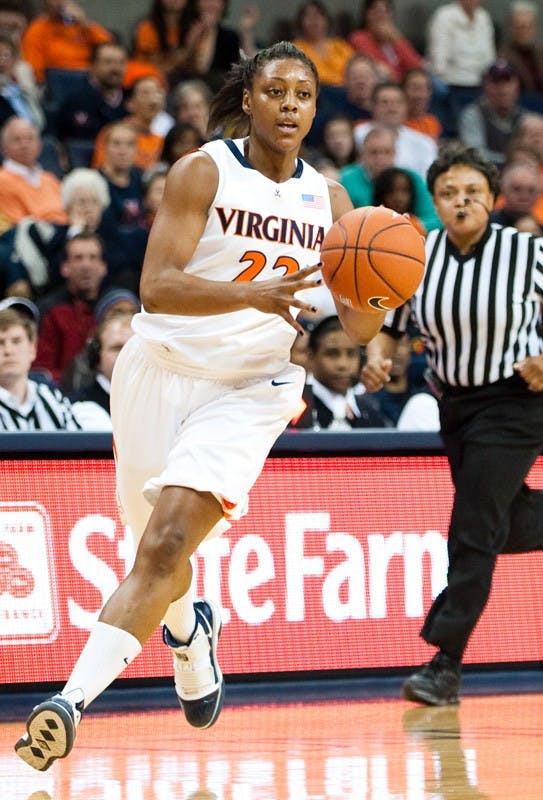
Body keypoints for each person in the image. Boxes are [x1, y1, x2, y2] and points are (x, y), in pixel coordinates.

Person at [14, 40, 386, 771]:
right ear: (247, 98)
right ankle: (188, 634)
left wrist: (376, 295)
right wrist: (254, 294)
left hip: (250, 387)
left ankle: (66, 705)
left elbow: (357, 321)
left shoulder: (332, 199)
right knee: (148, 547)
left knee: (162, 547)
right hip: (159, 368)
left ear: (315, 108)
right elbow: (157, 286)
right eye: (274, 91)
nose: (288, 105)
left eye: (303, 95)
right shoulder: (202, 170)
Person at [361, 143, 543, 706]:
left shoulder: (527, 251)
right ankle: (445, 663)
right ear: (433, 201)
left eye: (471, 192)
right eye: (448, 193)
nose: (460, 201)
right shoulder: (416, 255)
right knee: (496, 523)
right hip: (456, 407)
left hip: (517, 401)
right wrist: (377, 355)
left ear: (491, 198)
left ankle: (445, 664)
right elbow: (390, 327)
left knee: (470, 530)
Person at [33, 231, 109, 387]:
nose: (86, 265)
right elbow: (42, 370)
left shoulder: (118, 305)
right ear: (64, 267)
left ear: (103, 267)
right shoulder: (49, 311)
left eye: (93, 257)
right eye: (78, 258)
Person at [340, 124, 441, 232]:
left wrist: (406, 226)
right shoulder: (345, 180)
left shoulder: (412, 179)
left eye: (386, 152)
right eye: (374, 152)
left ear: (395, 154)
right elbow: (340, 221)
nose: (380, 158)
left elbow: (436, 219)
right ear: (362, 154)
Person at [298, 314, 389, 429]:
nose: (343, 364)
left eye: (351, 353)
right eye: (332, 354)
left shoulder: (370, 409)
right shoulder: (293, 407)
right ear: (311, 356)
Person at [0, 305, 83, 430]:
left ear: (32, 349)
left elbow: (78, 445)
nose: (9, 351)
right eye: (0, 343)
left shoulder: (52, 397)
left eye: (17, 341)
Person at [21, 0, 113, 85]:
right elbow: (35, 71)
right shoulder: (37, 29)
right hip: (58, 84)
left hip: (90, 80)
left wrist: (85, 23)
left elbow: (110, 46)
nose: (61, 2)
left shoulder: (81, 25)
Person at [0, 117, 67, 232]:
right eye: (17, 140)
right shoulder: (2, 181)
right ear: (3, 148)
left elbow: (68, 213)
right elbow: (20, 226)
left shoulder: (49, 179)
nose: (25, 145)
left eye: (30, 139)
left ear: (39, 144)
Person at [56, 41, 128, 144]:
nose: (115, 68)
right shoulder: (76, 100)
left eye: (121, 63)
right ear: (93, 65)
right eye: (108, 62)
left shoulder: (131, 99)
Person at [458, 59, 525, 167]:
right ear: (485, 86)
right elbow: (475, 154)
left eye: (507, 81)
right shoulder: (473, 114)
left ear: (517, 86)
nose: (502, 88)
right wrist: (514, 159)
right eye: (496, 82)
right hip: (485, 176)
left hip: (523, 178)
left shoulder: (525, 118)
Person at [348, 0, 425, 83]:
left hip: (405, 87)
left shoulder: (395, 38)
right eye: (376, 11)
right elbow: (383, 72)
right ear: (366, 14)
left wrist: (397, 40)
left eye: (386, 11)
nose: (381, 16)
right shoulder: (358, 38)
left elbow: (418, 68)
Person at [293, 0, 354, 89]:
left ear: (327, 19)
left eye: (319, 15)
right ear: (300, 22)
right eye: (308, 16)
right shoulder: (295, 49)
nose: (314, 20)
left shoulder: (340, 45)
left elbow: (355, 70)